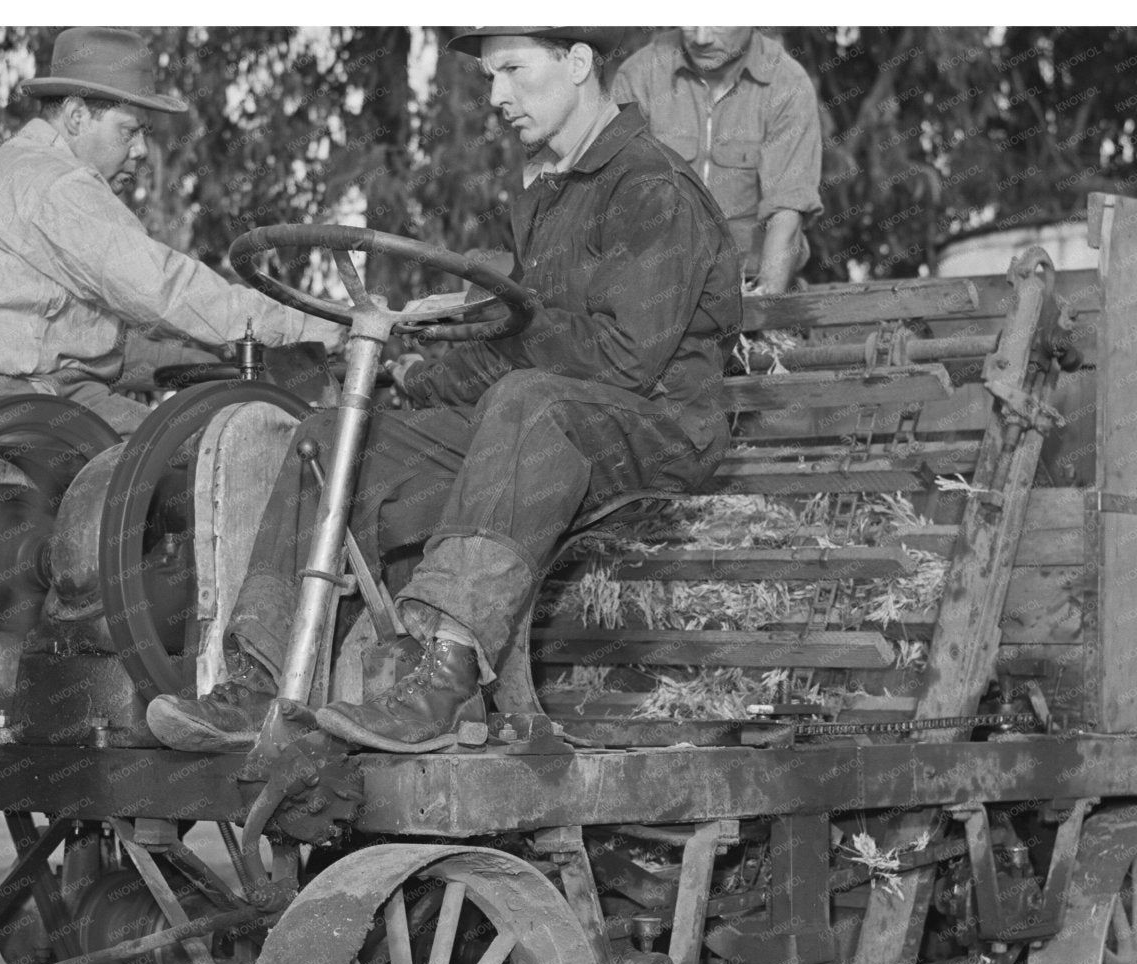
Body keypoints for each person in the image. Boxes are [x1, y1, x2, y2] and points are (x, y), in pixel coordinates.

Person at [147, 26, 742, 754]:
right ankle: (260, 682)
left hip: (658, 429)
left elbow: (621, 358)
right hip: (542, 423)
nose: (497, 97)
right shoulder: (550, 194)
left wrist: (473, 356)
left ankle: (444, 678)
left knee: (527, 402)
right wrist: (416, 360)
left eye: (514, 71)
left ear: (580, 64)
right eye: (492, 78)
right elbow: (511, 337)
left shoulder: (651, 188)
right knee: (331, 439)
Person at [0, 27, 342, 442]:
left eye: (143, 133)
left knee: (187, 439)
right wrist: (307, 325)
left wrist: (232, 357)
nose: (141, 151)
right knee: (210, 457)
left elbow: (94, 344)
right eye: (128, 131)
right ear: (75, 116)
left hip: (0, 390)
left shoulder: (17, 170)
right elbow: (164, 289)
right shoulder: (57, 183)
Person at [612, 27, 824, 294]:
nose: (701, 38)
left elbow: (788, 211)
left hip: (751, 279)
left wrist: (766, 305)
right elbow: (619, 202)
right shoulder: (639, 75)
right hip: (659, 287)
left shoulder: (788, 84)